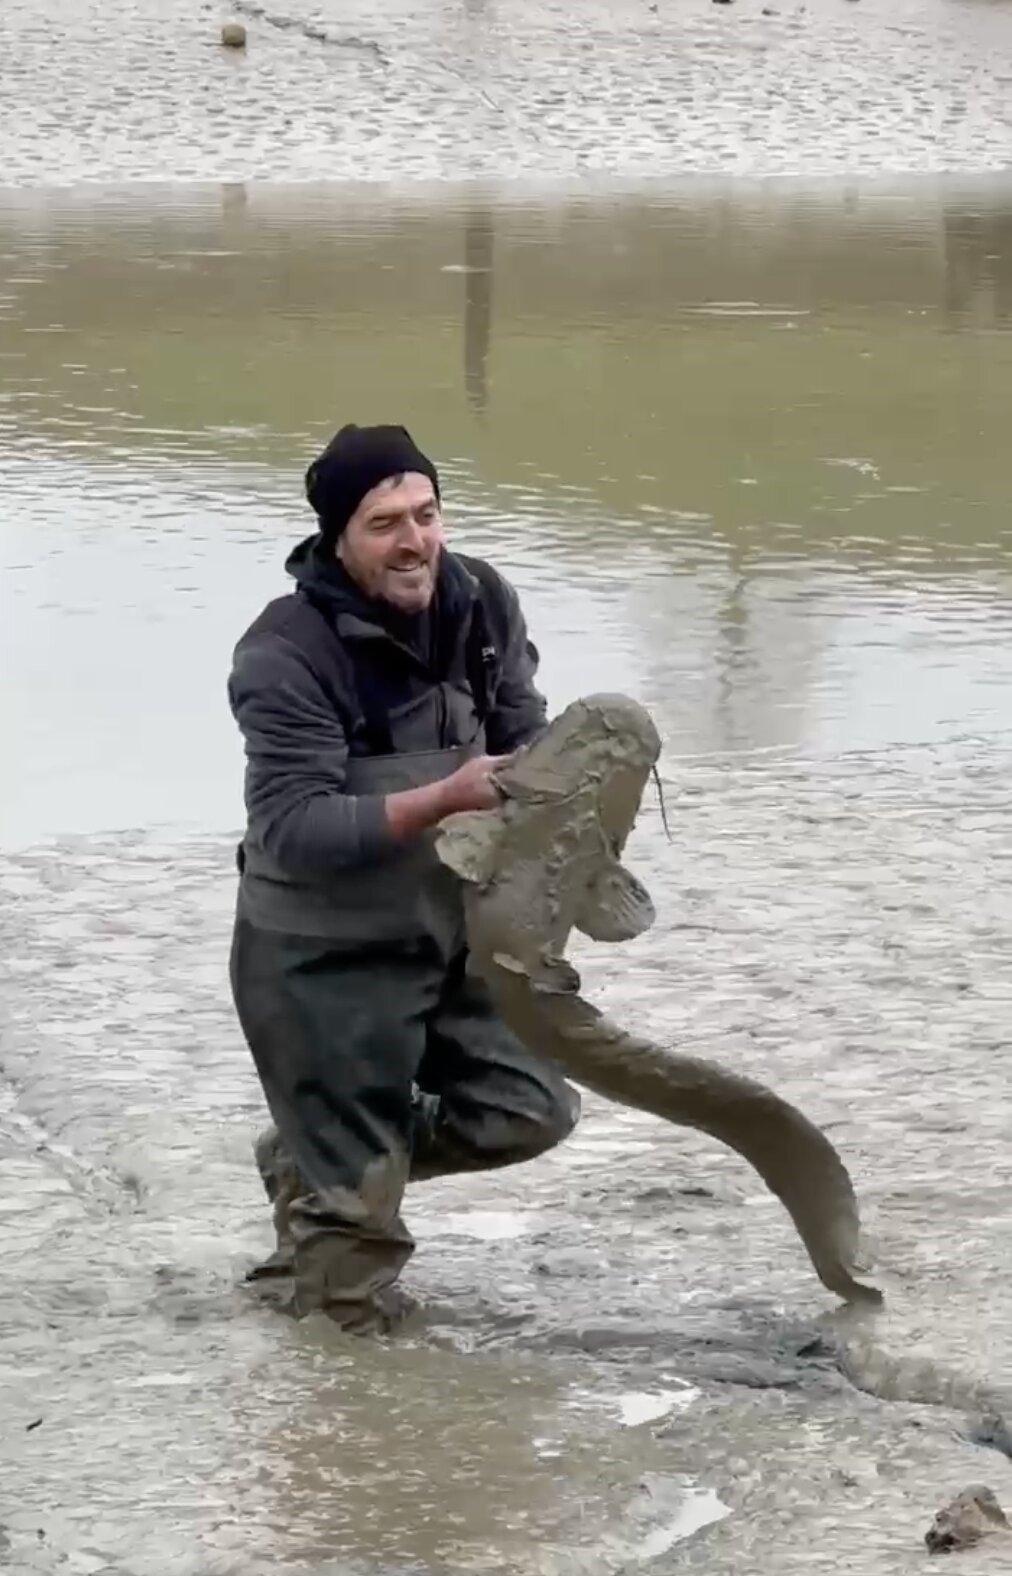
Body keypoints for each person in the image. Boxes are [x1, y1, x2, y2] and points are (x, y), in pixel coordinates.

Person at [227, 422, 581, 1333]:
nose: (414, 540)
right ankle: (343, 1398)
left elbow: (521, 731)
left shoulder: (481, 601)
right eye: (385, 522)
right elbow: (294, 826)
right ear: (339, 535)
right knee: (353, 1259)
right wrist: (444, 794)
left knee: (528, 1108)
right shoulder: (283, 652)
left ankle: (318, 1157)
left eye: (426, 514)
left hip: (448, 923)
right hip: (319, 954)